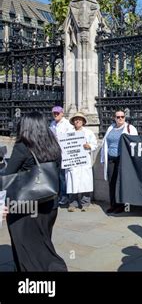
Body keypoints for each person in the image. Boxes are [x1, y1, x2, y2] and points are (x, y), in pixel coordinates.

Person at [1, 112, 67, 271]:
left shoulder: (22, 147)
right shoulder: (54, 146)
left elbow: (9, 174)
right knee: (43, 241)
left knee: (24, 244)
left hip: (25, 205)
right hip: (49, 202)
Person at [100, 109, 138, 214]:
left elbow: (134, 144)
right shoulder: (110, 128)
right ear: (114, 118)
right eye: (118, 117)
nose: (120, 119)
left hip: (122, 159)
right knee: (111, 182)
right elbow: (105, 143)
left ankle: (121, 205)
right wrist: (103, 158)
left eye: (122, 117)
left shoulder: (130, 128)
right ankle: (113, 204)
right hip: (111, 158)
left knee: (120, 182)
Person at [66, 112, 98, 212]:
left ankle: (85, 203)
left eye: (80, 119)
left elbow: (95, 144)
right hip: (73, 161)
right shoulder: (68, 133)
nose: (78, 121)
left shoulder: (88, 133)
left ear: (83, 121)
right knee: (72, 182)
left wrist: (89, 146)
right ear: (73, 122)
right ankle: (73, 203)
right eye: (76, 119)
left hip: (84, 161)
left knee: (85, 182)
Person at [49, 105, 74, 207]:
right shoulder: (52, 124)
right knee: (56, 175)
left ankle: (64, 197)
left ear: (62, 113)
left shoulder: (67, 124)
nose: (55, 115)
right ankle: (58, 195)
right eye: (54, 113)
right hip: (54, 153)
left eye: (57, 113)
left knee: (63, 176)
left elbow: (71, 138)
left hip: (64, 154)